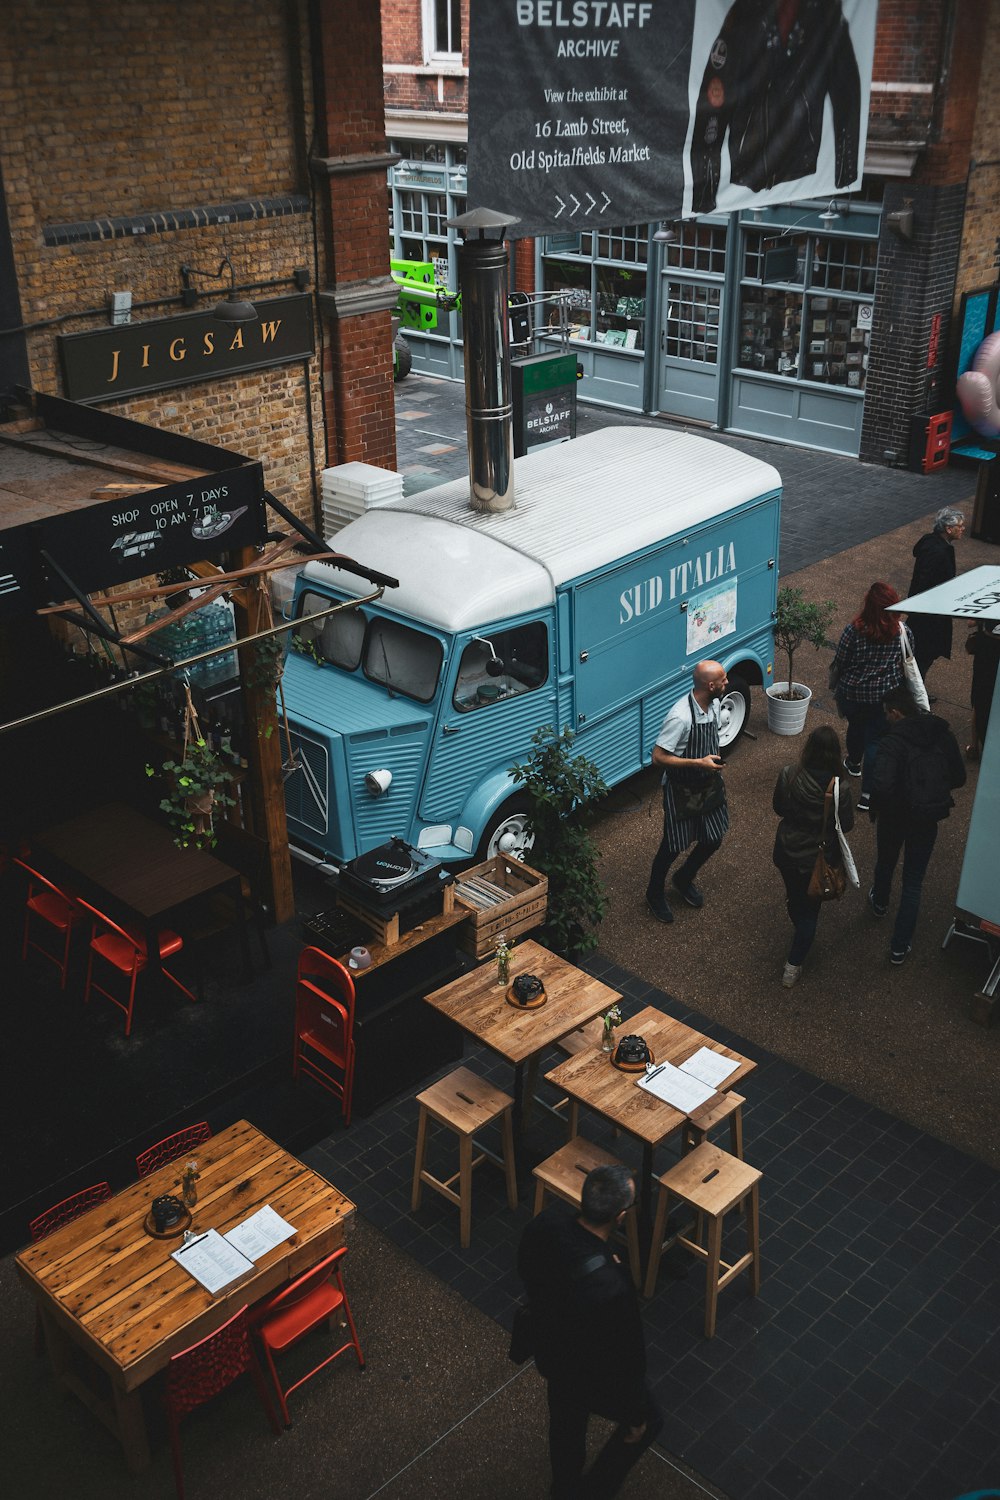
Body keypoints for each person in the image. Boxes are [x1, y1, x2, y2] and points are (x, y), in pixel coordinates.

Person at [517, 1164, 662, 1500]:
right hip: (593, 1374)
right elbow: (628, 1357)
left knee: (566, 1428)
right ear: (620, 1216)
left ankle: (564, 1489)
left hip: (554, 1354)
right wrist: (635, 1413)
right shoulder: (613, 1284)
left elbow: (526, 1266)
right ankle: (597, 1489)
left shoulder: (546, 1224)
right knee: (650, 1423)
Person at [868, 684, 966, 964]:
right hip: (927, 817)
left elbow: (882, 785)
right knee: (913, 882)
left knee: (886, 862)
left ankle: (880, 902)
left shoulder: (892, 742)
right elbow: (958, 777)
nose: (886, 718)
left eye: (887, 713)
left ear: (897, 713)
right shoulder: (941, 734)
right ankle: (900, 947)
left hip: (894, 818)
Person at [645, 660, 729, 924]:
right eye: (723, 680)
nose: (727, 683)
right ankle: (654, 894)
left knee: (713, 838)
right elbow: (657, 758)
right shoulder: (680, 716)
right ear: (711, 685)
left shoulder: (714, 705)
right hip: (681, 790)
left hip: (707, 785)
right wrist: (697, 762)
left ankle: (683, 878)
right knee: (672, 846)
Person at [772, 724, 855, 989]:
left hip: (787, 851)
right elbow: (847, 824)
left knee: (795, 897)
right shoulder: (840, 787)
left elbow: (778, 807)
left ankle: (800, 929)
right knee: (810, 913)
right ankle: (792, 965)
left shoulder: (789, 774)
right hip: (817, 858)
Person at [829, 582, 913, 814]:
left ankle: (854, 762)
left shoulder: (853, 631)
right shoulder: (903, 632)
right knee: (875, 741)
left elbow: (841, 661)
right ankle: (867, 795)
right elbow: (908, 659)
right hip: (885, 698)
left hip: (853, 695)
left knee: (856, 727)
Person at [906, 506, 966, 686]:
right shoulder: (939, 552)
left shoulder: (931, 544)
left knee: (920, 655)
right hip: (930, 615)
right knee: (923, 655)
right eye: (960, 526)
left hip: (925, 612)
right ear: (948, 529)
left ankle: (915, 691)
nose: (963, 529)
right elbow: (926, 582)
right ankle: (915, 694)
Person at [966, 619, 1000, 759]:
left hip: (987, 656)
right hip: (988, 655)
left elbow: (970, 622)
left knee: (981, 702)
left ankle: (976, 747)